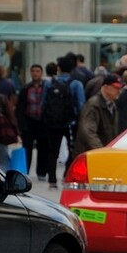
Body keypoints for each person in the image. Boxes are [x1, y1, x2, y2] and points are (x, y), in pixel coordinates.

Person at [42, 55, 85, 189]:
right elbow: (81, 104)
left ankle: (52, 179)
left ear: (58, 68)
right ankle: (66, 175)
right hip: (70, 123)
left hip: (52, 123)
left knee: (52, 151)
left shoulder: (49, 83)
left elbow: (43, 103)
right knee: (72, 150)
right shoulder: (76, 84)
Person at [74, 73, 122, 156]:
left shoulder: (112, 105)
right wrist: (101, 151)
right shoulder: (94, 104)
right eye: (116, 88)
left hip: (103, 151)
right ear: (105, 87)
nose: (119, 91)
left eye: (119, 88)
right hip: (90, 154)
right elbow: (88, 131)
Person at [16, 64, 50, 180]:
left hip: (42, 122)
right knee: (27, 148)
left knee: (43, 148)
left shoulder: (46, 87)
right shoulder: (26, 89)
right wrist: (20, 124)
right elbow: (20, 107)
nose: (35, 73)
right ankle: (25, 172)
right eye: (33, 71)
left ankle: (41, 172)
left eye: (37, 71)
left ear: (41, 73)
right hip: (29, 121)